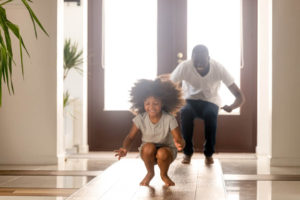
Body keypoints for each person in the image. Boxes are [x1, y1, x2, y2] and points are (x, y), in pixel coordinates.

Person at [169, 44, 245, 165]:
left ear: (209, 58)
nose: (199, 64)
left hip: (211, 101)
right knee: (186, 112)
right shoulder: (184, 66)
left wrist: (231, 107)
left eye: (202, 61)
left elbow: (239, 96)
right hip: (190, 100)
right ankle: (187, 152)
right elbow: (169, 86)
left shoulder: (218, 68)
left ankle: (209, 153)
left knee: (210, 114)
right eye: (196, 62)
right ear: (191, 59)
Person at [114, 78, 186, 186]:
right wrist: (125, 148)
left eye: (155, 103)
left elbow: (179, 139)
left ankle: (164, 175)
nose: (151, 107)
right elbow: (130, 137)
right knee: (148, 147)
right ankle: (150, 172)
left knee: (162, 152)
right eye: (147, 103)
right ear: (142, 103)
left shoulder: (169, 119)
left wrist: (179, 143)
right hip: (148, 152)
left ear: (162, 103)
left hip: (167, 152)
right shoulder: (140, 118)